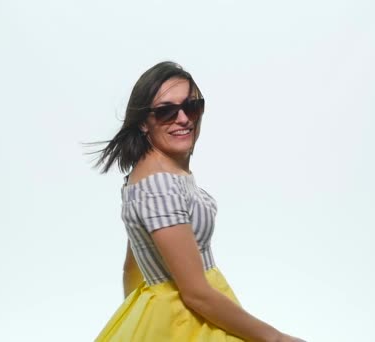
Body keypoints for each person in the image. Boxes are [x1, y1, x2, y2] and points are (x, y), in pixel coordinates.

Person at [86, 61, 305, 342]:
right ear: (143, 122)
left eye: (191, 106)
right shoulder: (160, 186)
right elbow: (195, 293)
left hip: (182, 316)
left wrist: (140, 322)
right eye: (166, 111)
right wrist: (276, 338)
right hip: (188, 321)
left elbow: (132, 266)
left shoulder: (154, 175)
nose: (183, 119)